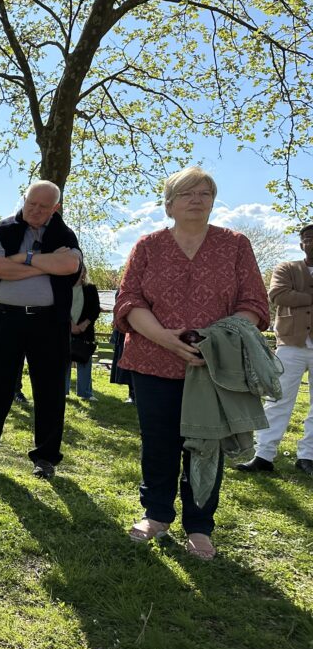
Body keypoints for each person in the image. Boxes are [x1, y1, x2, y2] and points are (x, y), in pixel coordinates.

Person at [115, 167, 268, 560]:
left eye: (204, 192)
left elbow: (253, 304)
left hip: (213, 365)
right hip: (152, 359)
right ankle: (157, 515)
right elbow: (130, 302)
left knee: (206, 445)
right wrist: (165, 337)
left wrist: (214, 339)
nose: (196, 199)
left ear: (213, 201)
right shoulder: (147, 246)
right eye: (186, 194)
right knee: (159, 441)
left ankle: (200, 526)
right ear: (169, 205)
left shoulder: (234, 245)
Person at [0, 181, 82, 479]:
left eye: (44, 207)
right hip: (6, 319)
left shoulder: (65, 234)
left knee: (51, 391)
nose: (36, 210)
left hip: (50, 322)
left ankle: (46, 458)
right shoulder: (0, 231)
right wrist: (47, 264)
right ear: (24, 199)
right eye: (32, 203)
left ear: (56, 208)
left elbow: (71, 267)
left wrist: (25, 259)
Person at [236, 223, 313, 477]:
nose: (311, 242)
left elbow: (293, 296)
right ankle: (264, 455)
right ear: (301, 244)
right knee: (277, 398)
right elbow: (279, 295)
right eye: (307, 238)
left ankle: (308, 456)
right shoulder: (287, 268)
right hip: (292, 343)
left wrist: (300, 294)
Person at [67, 266, 100, 401]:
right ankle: (63, 391)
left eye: (81, 270)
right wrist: (71, 325)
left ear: (84, 273)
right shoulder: (64, 288)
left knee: (85, 362)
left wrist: (83, 325)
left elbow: (95, 309)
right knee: (64, 362)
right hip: (65, 331)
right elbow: (59, 308)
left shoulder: (90, 288)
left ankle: (85, 393)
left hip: (85, 332)